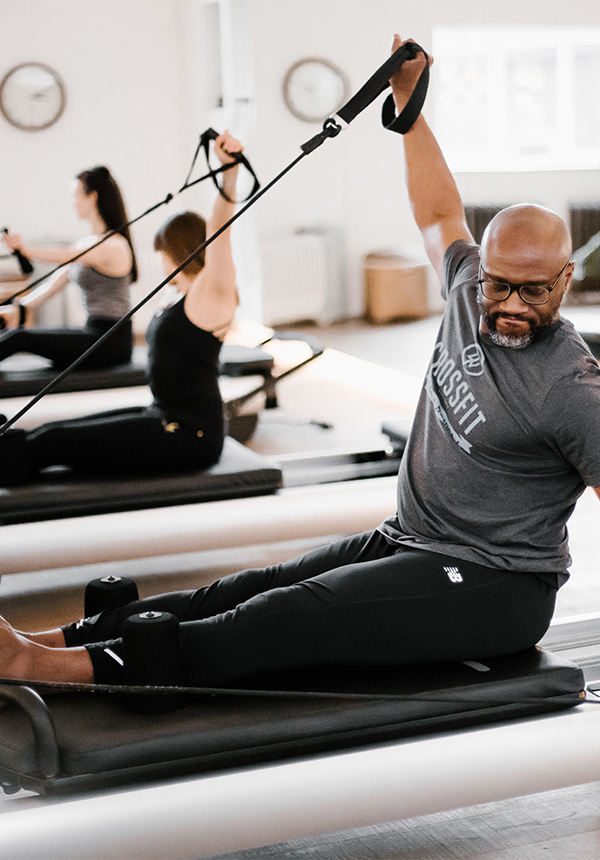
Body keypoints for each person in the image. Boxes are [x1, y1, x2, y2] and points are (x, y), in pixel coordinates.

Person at [1, 38, 600, 692]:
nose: (510, 305)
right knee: (255, 583)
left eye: (534, 291)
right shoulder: (465, 285)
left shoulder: (571, 388)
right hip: (411, 538)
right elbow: (437, 211)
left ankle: (50, 668)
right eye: (498, 285)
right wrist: (406, 100)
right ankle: (55, 639)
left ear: (567, 278)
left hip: (494, 587)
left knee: (286, 613)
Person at [0, 131, 241, 486]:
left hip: (191, 436)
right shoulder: (175, 296)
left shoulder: (212, 297)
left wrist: (230, 172)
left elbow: (220, 233)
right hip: (163, 417)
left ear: (175, 249)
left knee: (54, 443)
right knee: (50, 430)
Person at [0, 165, 137, 370]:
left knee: (20, 338)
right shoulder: (89, 244)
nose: (73, 203)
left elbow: (66, 254)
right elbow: (53, 285)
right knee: (16, 335)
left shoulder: (114, 245)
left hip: (111, 341)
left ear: (92, 197)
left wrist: (24, 249)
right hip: (93, 334)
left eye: (75, 195)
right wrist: (17, 308)